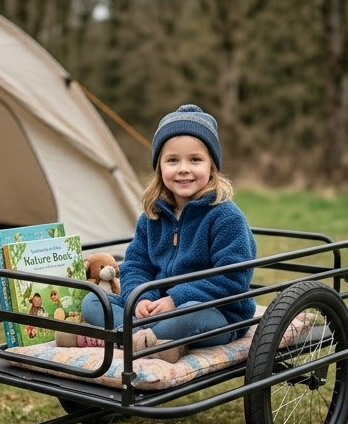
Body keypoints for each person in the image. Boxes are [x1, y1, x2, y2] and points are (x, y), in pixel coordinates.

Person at [58, 103, 256, 361]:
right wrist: (140, 299)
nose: (183, 168)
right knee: (94, 302)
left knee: (188, 313)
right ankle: (150, 341)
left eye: (195, 160)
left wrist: (175, 300)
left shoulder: (225, 217)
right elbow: (136, 265)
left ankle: (117, 338)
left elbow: (232, 278)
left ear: (212, 166)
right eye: (173, 160)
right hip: (154, 308)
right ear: (160, 167)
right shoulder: (152, 216)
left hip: (214, 312)